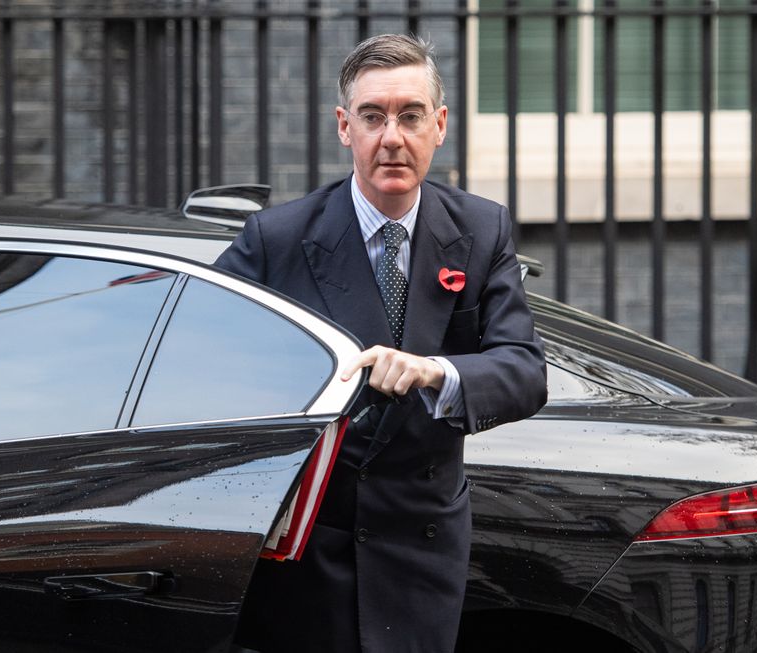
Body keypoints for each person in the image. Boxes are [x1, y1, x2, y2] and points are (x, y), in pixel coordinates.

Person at [215, 33, 547, 653]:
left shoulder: (480, 229)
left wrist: (434, 372)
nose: (392, 136)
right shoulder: (277, 239)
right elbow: (204, 358)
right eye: (373, 116)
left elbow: (524, 370)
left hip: (421, 548)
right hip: (309, 553)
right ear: (345, 127)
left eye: (410, 115)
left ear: (440, 125)